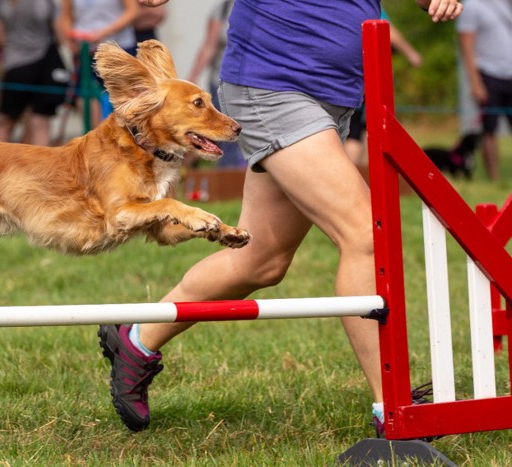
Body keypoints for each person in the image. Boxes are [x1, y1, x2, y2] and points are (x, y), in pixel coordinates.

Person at [99, 0, 463, 435]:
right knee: (366, 234)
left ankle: (136, 340)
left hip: (331, 96)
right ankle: (394, 407)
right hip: (275, 86)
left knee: (262, 260)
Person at [344, 11, 423, 181]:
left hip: (352, 76)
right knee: (360, 131)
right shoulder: (366, 6)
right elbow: (390, 31)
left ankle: (361, 182)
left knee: (362, 130)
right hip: (365, 76)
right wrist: (411, 54)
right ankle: (356, 181)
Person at [0, 0, 67, 146]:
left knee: (5, 121)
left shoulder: (3, 5)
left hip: (16, 65)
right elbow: (59, 34)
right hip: (44, 64)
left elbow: (0, 39)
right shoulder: (45, 3)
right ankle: (40, 166)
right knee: (40, 120)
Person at [57, 0, 138, 126]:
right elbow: (65, 15)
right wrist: (70, 39)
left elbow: (132, 10)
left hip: (118, 47)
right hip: (85, 49)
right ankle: (97, 136)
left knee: (124, 98)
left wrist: (104, 32)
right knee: (85, 96)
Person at [457, 0, 512, 181]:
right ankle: (494, 179)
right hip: (488, 74)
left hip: (509, 73)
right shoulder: (472, 6)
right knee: (489, 129)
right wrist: (475, 82)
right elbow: (466, 46)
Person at [186, 0, 243, 169]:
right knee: (226, 136)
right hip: (222, 82)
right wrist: (193, 78)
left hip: (252, 82)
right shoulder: (223, 8)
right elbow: (209, 46)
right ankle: (227, 179)